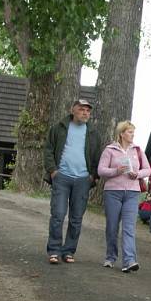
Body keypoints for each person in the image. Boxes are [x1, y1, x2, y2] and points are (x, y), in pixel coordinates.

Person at [43, 99, 103, 265]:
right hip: (61, 177)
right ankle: (54, 250)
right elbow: (48, 149)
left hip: (83, 179)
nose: (85, 113)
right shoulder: (59, 128)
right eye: (82, 109)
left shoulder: (93, 133)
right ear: (73, 110)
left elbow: (98, 156)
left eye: (88, 111)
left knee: (76, 218)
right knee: (58, 214)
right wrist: (53, 171)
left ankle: (68, 251)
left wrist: (93, 176)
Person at [97, 121, 150, 272]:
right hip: (112, 192)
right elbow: (101, 170)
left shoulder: (138, 150)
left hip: (132, 193)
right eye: (130, 132)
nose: (132, 135)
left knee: (129, 228)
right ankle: (110, 257)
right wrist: (116, 171)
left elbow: (147, 170)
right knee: (112, 226)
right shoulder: (110, 150)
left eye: (133, 132)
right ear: (121, 134)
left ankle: (129, 261)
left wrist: (138, 174)